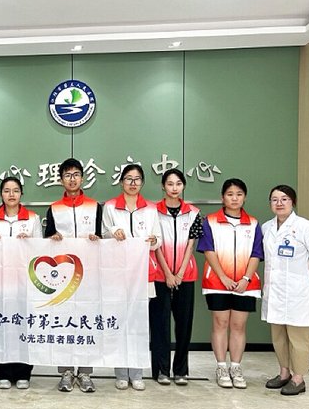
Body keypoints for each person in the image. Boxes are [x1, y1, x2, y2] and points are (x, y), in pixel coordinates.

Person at [197, 178, 263, 389]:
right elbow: (208, 250)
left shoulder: (253, 223)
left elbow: (256, 253)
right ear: (222, 197)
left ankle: (235, 367)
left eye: (239, 194)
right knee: (220, 323)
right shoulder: (210, 221)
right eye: (230, 194)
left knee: (238, 325)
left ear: (245, 197)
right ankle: (221, 367)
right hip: (217, 283)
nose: (234, 198)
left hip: (246, 285)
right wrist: (223, 277)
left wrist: (245, 279)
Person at [44, 158, 101, 393]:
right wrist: (52, 239)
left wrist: (98, 239)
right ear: (61, 180)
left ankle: (85, 372)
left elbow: (103, 237)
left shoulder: (95, 206)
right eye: (67, 175)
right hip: (63, 275)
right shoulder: (54, 208)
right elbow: (46, 240)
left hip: (89, 274)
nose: (72, 179)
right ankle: (66, 372)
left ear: (82, 178)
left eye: (76, 174)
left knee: (86, 322)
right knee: (64, 323)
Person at [102, 163, 162, 391]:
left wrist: (153, 241)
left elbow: (158, 240)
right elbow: (103, 235)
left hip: (143, 274)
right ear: (121, 182)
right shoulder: (110, 207)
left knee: (138, 324)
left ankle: (136, 373)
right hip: (117, 274)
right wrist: (112, 233)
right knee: (119, 323)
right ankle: (120, 373)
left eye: (137, 179)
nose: (133, 183)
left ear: (142, 183)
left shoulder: (151, 209)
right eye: (128, 178)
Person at [262, 185, 309, 396]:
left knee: (298, 338)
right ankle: (284, 373)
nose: (279, 203)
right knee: (279, 336)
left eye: (284, 199)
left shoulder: (305, 226)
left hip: (297, 292)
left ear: (293, 202)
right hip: (275, 292)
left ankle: (298, 378)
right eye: (274, 199)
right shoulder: (266, 228)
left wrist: (304, 277)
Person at [0, 177, 43, 390]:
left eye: (16, 190)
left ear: (21, 194)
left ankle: (23, 373)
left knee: (23, 326)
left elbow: (41, 251)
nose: (11, 194)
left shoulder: (33, 219)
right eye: (7, 190)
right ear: (1, 194)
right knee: (2, 326)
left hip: (24, 282)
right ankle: (3, 373)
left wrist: (29, 242)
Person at [151, 169, 203, 386]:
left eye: (178, 184)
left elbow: (191, 245)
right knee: (160, 325)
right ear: (163, 186)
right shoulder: (152, 211)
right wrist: (167, 273)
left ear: (183, 186)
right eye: (170, 184)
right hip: (159, 275)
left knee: (184, 325)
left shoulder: (193, 213)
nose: (174, 188)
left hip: (185, 276)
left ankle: (181, 370)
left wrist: (179, 273)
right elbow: (155, 245)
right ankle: (161, 370)